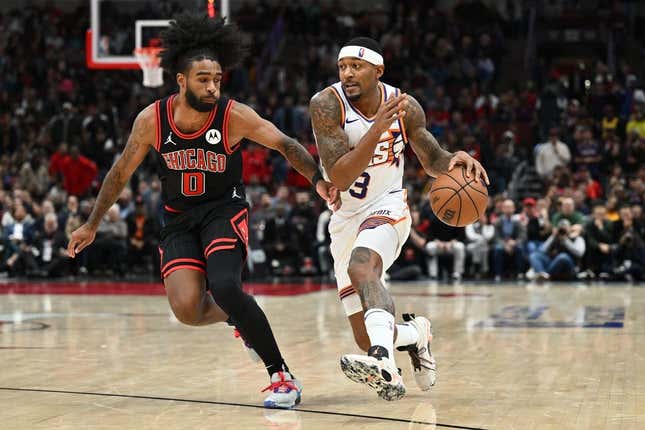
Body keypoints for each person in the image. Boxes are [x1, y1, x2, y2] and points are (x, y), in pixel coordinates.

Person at [67, 13, 338, 409]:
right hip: (177, 220)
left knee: (226, 287)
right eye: (203, 79)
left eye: (217, 79)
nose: (212, 87)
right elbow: (120, 170)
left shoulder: (232, 115)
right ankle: (242, 319)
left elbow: (285, 144)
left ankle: (281, 376)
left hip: (222, 211)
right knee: (188, 312)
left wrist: (317, 180)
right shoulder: (152, 120)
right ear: (181, 80)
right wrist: (92, 223)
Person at [309, 37, 488, 401]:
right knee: (367, 331)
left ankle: (383, 363)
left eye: (356, 67)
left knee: (364, 268)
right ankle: (416, 334)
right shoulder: (326, 104)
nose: (347, 74)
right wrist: (377, 129)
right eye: (342, 67)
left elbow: (431, 158)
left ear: (378, 71)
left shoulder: (405, 107)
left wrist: (454, 159)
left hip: (388, 206)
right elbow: (341, 176)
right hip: (345, 218)